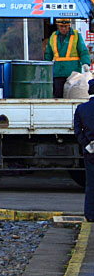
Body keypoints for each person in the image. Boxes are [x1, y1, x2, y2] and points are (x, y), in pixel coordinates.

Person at [45, 18, 91, 98]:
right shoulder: (53, 36)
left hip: (73, 72)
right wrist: (45, 68)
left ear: (69, 25)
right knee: (58, 95)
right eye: (61, 26)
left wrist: (85, 63)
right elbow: (48, 54)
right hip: (58, 72)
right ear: (57, 26)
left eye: (66, 26)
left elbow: (83, 51)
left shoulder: (76, 35)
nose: (63, 28)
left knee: (73, 94)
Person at [74, 78, 94, 221]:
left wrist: (86, 144)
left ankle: (90, 214)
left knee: (90, 183)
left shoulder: (81, 108)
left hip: (90, 149)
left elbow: (77, 130)